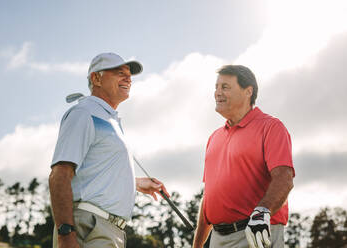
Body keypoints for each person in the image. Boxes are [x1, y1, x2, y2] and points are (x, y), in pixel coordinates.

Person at [49, 52, 169, 248]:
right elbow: (59, 174)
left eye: (129, 74)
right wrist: (65, 235)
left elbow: (95, 174)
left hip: (109, 230)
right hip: (89, 226)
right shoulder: (83, 113)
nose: (128, 78)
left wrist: (136, 183)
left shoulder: (108, 119)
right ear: (96, 78)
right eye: (119, 72)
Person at [192, 65, 295, 248]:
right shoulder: (214, 138)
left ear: (248, 91)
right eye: (216, 87)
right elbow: (209, 198)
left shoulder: (271, 127)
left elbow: (284, 179)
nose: (217, 93)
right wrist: (197, 245)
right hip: (218, 238)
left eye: (225, 87)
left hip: (256, 235)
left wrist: (262, 212)